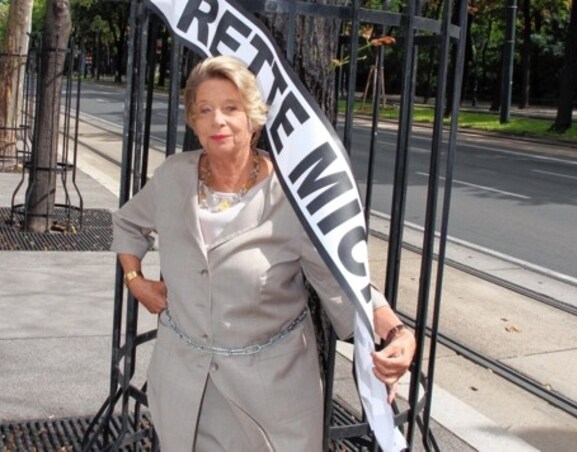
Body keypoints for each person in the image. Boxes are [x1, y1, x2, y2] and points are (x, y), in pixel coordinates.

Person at [111, 55, 416, 451]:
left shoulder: (292, 199)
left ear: (254, 118)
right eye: (205, 110)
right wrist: (136, 281)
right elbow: (128, 223)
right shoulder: (173, 177)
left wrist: (395, 332)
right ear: (194, 122)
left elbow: (341, 279)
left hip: (272, 397)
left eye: (230, 108)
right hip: (183, 386)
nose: (217, 120)